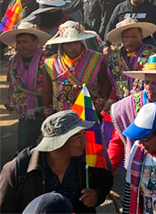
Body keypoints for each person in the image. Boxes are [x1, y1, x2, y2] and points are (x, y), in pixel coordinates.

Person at [0, 110, 114, 214]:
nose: (84, 140)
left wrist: (97, 195)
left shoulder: (88, 161)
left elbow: (105, 182)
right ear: (59, 141)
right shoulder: (18, 169)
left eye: (84, 133)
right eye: (77, 135)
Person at [108, 53, 156, 172]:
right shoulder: (129, 106)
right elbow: (118, 142)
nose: (149, 87)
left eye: (155, 83)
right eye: (146, 82)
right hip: (137, 172)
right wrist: (107, 174)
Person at [42, 21, 113, 115]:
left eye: (76, 43)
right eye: (67, 44)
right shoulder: (50, 63)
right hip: (62, 113)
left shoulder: (97, 59)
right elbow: (47, 89)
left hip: (90, 111)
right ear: (62, 45)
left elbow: (105, 83)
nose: (72, 47)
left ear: (82, 42)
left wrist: (100, 102)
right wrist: (48, 108)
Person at [1, 22, 51, 151]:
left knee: (51, 146)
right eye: (19, 43)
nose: (21, 46)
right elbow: (12, 83)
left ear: (36, 42)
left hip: (48, 109)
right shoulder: (13, 61)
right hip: (26, 112)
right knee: (25, 146)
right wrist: (10, 100)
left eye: (25, 42)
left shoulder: (48, 59)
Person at [104, 18, 156, 99]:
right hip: (120, 101)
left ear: (141, 37)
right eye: (126, 37)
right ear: (122, 39)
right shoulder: (114, 58)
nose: (129, 41)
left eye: (133, 37)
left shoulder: (152, 55)